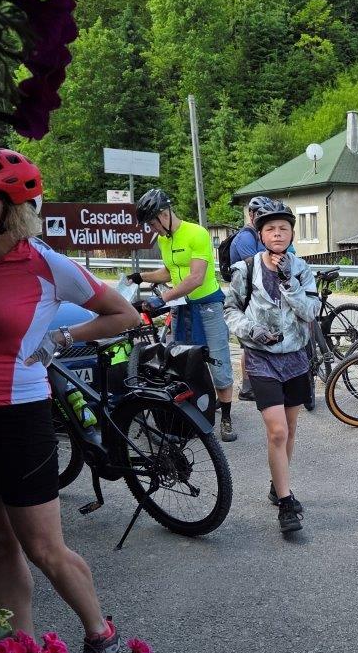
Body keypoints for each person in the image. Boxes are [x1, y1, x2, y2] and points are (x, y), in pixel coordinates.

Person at [0, 147, 140, 653]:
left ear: (13, 210)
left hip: (19, 419)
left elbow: (124, 313)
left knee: (43, 548)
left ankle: (101, 636)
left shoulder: (45, 264)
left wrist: (63, 337)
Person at [223, 199, 320, 535]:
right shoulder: (246, 269)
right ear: (261, 235)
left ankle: (277, 486)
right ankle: (286, 503)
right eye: (270, 229)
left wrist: (289, 283)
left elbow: (311, 312)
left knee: (289, 430)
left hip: (295, 359)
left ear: (291, 234)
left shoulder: (302, 269)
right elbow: (230, 310)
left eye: (283, 228)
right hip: (261, 359)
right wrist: (252, 330)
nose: (277, 233)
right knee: (277, 431)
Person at [129, 188, 238, 443]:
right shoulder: (164, 240)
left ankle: (226, 417)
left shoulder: (196, 233)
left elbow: (196, 277)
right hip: (182, 307)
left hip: (208, 306)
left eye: (153, 223)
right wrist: (141, 277)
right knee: (183, 361)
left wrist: (163, 298)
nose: (153, 229)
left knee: (219, 362)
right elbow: (170, 272)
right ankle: (194, 411)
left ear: (164, 214)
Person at [230, 196, 276, 402]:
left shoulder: (260, 235)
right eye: (260, 213)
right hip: (247, 294)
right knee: (249, 343)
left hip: (260, 293)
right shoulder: (245, 238)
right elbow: (257, 266)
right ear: (251, 214)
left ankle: (258, 381)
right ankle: (247, 387)